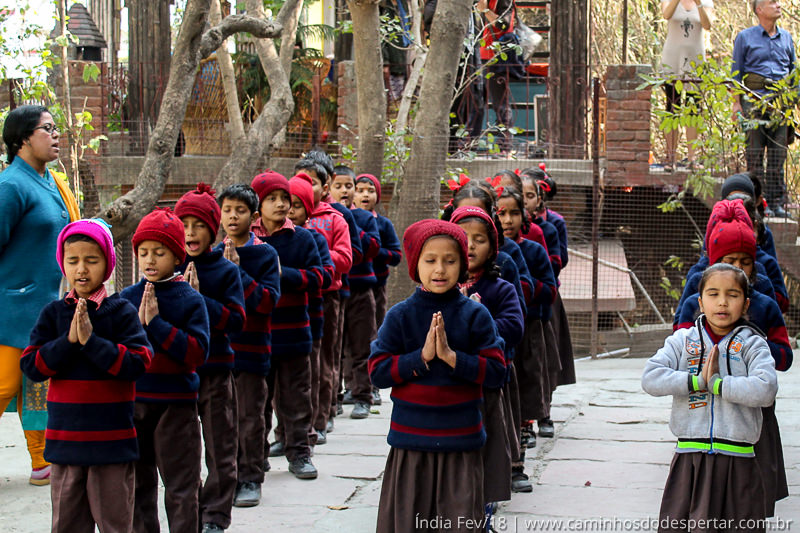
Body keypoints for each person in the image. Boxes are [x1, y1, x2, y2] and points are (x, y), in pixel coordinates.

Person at [369, 219, 506, 533]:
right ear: (416, 264)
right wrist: (421, 358)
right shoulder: (400, 315)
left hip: (461, 444)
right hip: (411, 445)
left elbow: (497, 372)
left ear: (463, 265)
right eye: (430, 260)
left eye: (450, 260)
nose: (440, 269)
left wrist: (452, 358)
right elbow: (377, 372)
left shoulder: (475, 315)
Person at [20, 219, 152, 533]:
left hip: (112, 445)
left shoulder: (120, 312)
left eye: (91, 260)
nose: (81, 269)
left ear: (107, 264)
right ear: (62, 264)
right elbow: (32, 367)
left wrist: (92, 343)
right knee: (67, 524)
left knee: (115, 524)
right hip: (65, 446)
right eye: (73, 260)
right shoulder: (53, 314)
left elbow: (139, 362)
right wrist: (68, 342)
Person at [642, 263, 778, 532]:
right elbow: (650, 378)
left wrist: (718, 385)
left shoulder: (753, 344)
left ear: (746, 304)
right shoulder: (682, 341)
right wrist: (696, 381)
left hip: (739, 461)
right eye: (713, 294)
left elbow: (766, 389)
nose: (723, 302)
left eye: (733, 295)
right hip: (690, 460)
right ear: (700, 302)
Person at [0, 105, 79, 486]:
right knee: (5, 385)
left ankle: (41, 461)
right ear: (22, 139)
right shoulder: (11, 186)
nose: (56, 134)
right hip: (11, 307)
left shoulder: (51, 180)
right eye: (47, 129)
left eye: (55, 127)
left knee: (36, 386)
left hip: (46, 305)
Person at [121, 208, 210, 533]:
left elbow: (198, 353)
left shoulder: (189, 299)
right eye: (143, 252)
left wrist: (157, 325)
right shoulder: (127, 299)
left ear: (177, 257)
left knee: (181, 486)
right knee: (138, 483)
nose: (149, 260)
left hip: (177, 405)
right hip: (135, 403)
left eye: (159, 253)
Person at [175, 183, 246, 533]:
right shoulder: (167, 268)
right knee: (183, 454)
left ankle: (216, 515)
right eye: (184, 224)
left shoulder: (225, 271)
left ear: (213, 228)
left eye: (199, 224)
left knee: (220, 446)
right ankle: (188, 516)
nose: (191, 232)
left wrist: (198, 299)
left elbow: (236, 320)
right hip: (178, 375)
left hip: (216, 371)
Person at [451, 205, 524, 525]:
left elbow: (514, 326)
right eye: (463, 237)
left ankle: (483, 509)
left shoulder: (501, 288)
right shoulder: (440, 288)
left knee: (489, 443)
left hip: (488, 380)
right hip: (449, 385)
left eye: (479, 239)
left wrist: (480, 319)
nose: (470, 245)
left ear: (493, 247)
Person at [250, 170, 323, 480]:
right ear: (258, 206)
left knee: (296, 397)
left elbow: (323, 276)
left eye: (285, 199)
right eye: (272, 199)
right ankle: (255, 457)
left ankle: (300, 452)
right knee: (256, 402)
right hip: (254, 336)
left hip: (294, 333)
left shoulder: (303, 238)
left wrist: (286, 275)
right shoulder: (245, 240)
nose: (281, 205)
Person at [214, 185, 281, 508]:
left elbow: (268, 302)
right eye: (227, 209)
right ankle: (225, 477)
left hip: (253, 349)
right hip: (218, 353)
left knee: (250, 416)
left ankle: (250, 477)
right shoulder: (211, 254)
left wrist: (237, 273)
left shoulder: (265, 254)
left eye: (240, 211)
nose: (232, 216)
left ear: (254, 217)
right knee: (222, 421)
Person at [496, 186, 557, 491]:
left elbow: (548, 286)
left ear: (525, 216)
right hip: (493, 339)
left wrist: (521, 291)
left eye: (513, 212)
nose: (507, 219)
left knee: (526, 385)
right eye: (500, 212)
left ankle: (519, 453)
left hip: (529, 325)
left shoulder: (527, 251)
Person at [296, 157, 354, 442]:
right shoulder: (282, 224)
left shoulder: (334, 218)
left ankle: (325, 412)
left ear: (324, 186)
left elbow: (344, 259)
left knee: (324, 357)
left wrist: (310, 255)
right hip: (295, 299)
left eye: (311, 183)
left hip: (328, 295)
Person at [732, 0, 795, 218]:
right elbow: (735, 74)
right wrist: (736, 103)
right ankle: (757, 204)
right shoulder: (745, 37)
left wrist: (794, 102)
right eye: (772, 2)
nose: (778, 5)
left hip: (780, 104)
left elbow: (794, 74)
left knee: (778, 157)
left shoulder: (787, 38)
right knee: (754, 156)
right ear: (759, 10)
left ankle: (776, 203)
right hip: (753, 101)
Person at [286, 174, 333, 450]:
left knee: (307, 380)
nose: (288, 209)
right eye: (282, 202)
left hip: (309, 319)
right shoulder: (263, 240)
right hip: (274, 326)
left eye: (295, 204)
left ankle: (311, 431)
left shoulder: (312, 238)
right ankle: (283, 437)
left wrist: (285, 275)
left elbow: (325, 274)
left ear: (308, 208)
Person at [353, 173, 402, 406]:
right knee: (349, 341)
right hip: (351, 286)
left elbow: (396, 256)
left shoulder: (383, 224)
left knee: (373, 335)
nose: (365, 195)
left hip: (377, 286)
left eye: (370, 190)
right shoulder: (346, 218)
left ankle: (371, 386)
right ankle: (351, 385)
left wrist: (375, 252)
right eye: (360, 190)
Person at [660, 0, 713, 170]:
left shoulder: (706, 2)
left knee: (694, 109)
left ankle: (692, 157)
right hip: (672, 57)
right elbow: (666, 15)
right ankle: (671, 157)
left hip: (695, 59)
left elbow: (708, 25)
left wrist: (698, 4)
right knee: (672, 106)